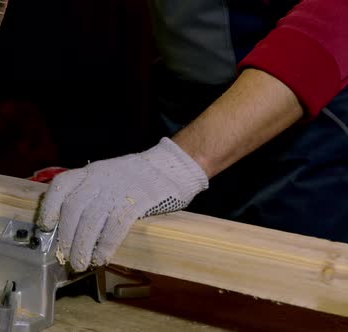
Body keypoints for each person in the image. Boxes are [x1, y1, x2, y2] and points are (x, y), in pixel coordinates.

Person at [37, 0, 348, 272]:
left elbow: (339, 16)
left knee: (282, 286)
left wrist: (177, 163)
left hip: (303, 115)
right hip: (185, 100)